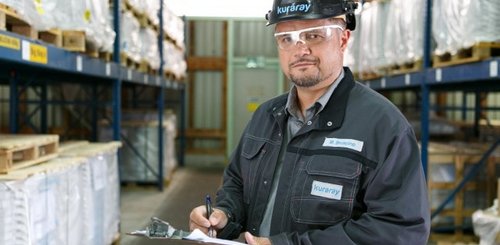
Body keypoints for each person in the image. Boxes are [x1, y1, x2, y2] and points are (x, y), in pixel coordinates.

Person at [189, 0, 431, 244]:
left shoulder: (383, 126)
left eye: (314, 35)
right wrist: (223, 216)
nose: (299, 49)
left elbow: (399, 230)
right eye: (286, 38)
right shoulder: (265, 116)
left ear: (343, 39)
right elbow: (237, 184)